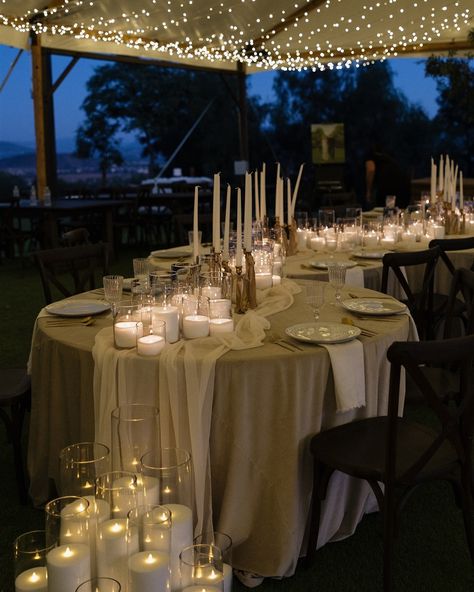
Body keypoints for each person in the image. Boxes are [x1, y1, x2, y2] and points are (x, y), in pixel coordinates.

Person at [364, 143, 411, 210]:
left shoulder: (370, 156)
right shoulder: (387, 158)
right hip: (403, 184)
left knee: (383, 209)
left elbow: (371, 170)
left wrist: (368, 191)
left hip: (387, 184)